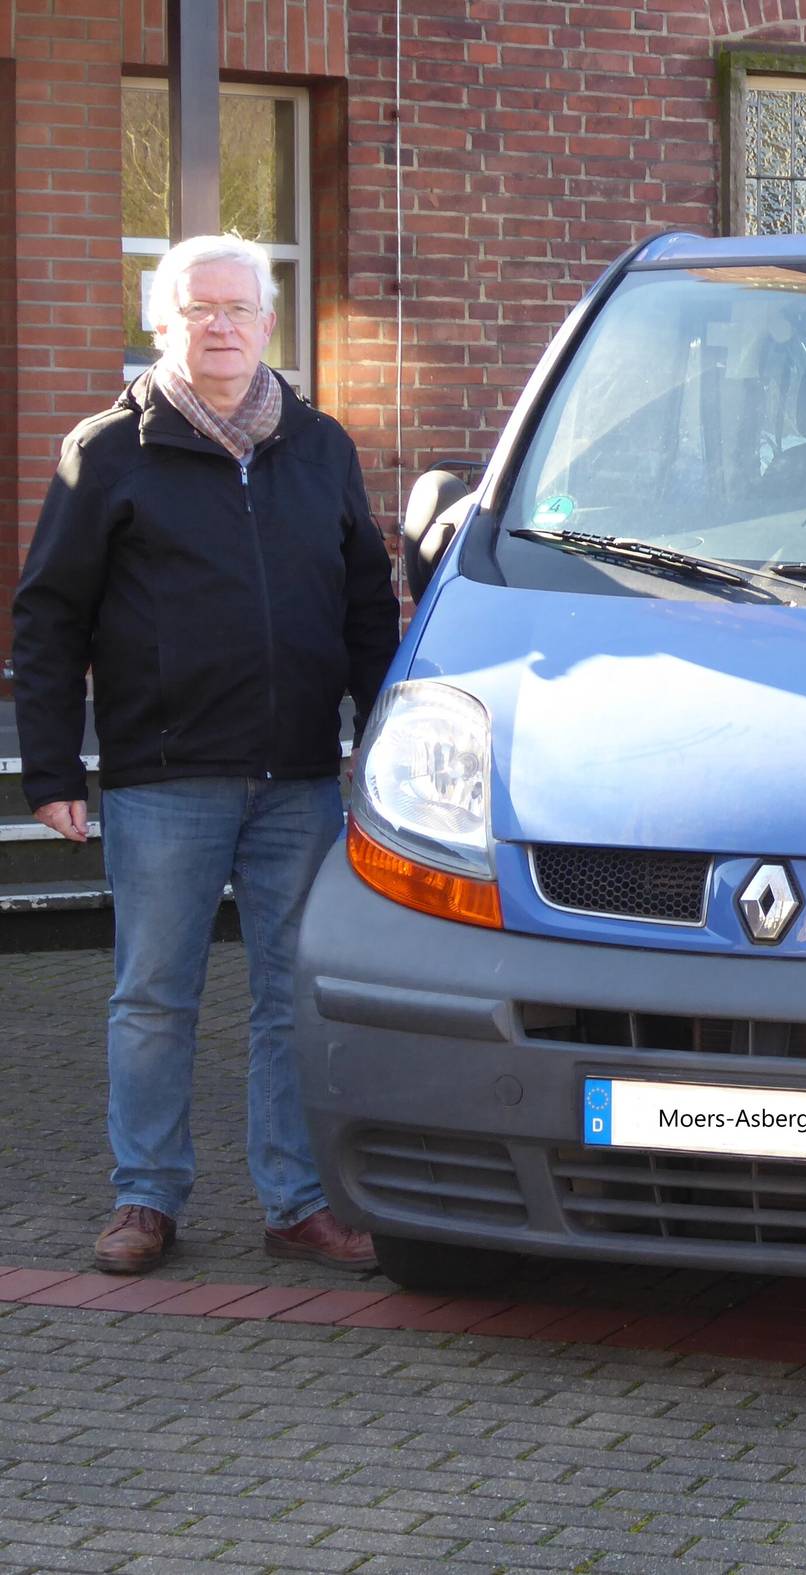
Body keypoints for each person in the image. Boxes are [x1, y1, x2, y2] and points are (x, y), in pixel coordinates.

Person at [12, 234, 400, 1272]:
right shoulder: (108, 451)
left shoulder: (321, 447)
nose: (220, 325)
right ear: (161, 326)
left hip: (300, 779)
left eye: (237, 308)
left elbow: (368, 607)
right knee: (152, 996)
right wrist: (53, 770)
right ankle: (146, 1196)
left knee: (289, 998)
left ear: (269, 323)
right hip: (164, 780)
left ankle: (297, 1204)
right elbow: (48, 616)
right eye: (198, 309)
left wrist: (385, 747)